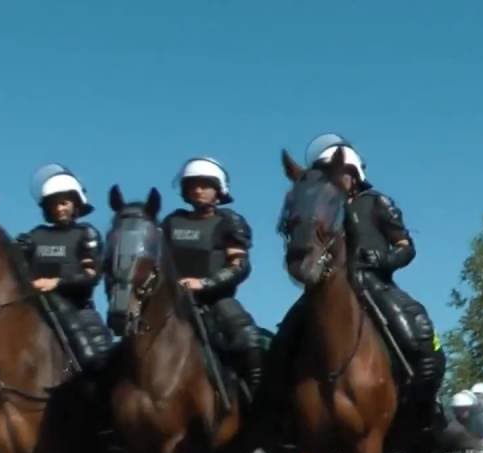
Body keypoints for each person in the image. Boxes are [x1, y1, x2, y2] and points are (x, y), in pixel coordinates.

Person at [269, 134, 445, 430]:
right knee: (280, 345)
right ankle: (278, 422)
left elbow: (405, 246)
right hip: (327, 285)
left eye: (342, 173)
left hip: (373, 281)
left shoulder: (376, 203)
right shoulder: (320, 208)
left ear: (355, 174)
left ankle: (425, 410)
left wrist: (383, 259)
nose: (336, 179)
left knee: (418, 336)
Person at [161, 156, 265, 402]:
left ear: (219, 190)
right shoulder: (171, 222)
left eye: (205, 185)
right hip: (173, 301)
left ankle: (259, 405)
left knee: (249, 338)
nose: (198, 190)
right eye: (192, 185)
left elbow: (239, 266)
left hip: (217, 300)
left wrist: (204, 283)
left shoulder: (229, 221)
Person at [13, 164, 114, 375]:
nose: (59, 209)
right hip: (38, 311)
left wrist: (56, 282)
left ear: (76, 203)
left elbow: (91, 276)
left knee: (102, 366)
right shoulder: (35, 236)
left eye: (64, 203)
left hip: (79, 312)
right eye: (54, 204)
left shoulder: (86, 234)